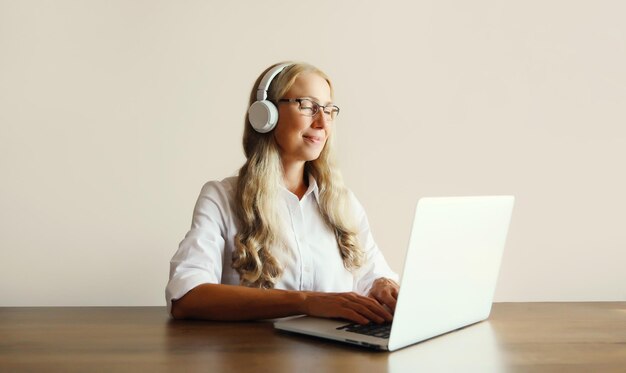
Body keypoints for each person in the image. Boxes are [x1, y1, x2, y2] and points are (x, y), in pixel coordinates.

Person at [166, 61, 399, 325]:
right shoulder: (221, 198)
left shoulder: (343, 203)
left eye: (328, 110)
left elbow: (372, 275)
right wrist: (306, 302)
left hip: (334, 361)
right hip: (253, 359)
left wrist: (383, 286)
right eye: (308, 107)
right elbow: (187, 297)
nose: (323, 122)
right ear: (266, 115)